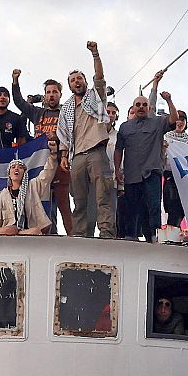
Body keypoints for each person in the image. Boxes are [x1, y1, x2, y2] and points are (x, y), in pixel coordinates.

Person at [57, 42, 116, 238]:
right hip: (78, 157)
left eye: (79, 78)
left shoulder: (95, 96)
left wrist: (95, 54)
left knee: (103, 196)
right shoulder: (66, 108)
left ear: (84, 81)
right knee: (80, 200)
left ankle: (107, 233)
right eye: (73, 80)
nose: (77, 81)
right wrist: (64, 155)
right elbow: (64, 133)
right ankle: (80, 234)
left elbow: (99, 77)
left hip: (97, 152)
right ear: (70, 85)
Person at [113, 75, 177, 242]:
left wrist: (169, 101)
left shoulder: (157, 123)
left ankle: (153, 236)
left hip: (152, 173)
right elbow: (119, 149)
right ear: (133, 108)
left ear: (149, 108)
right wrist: (117, 168)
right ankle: (131, 237)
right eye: (138, 105)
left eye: (144, 105)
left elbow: (174, 119)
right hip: (131, 175)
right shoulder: (125, 127)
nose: (141, 107)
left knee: (153, 207)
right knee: (132, 208)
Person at [13, 72, 71, 235]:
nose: (51, 95)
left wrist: (57, 140)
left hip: (61, 163)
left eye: (55, 92)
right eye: (48, 92)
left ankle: (74, 238)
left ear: (60, 94)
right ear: (44, 95)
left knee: (63, 204)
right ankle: (47, 236)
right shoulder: (37, 113)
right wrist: (15, 81)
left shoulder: (67, 113)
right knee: (42, 204)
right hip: (40, 165)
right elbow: (19, 102)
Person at [0, 160, 51, 236]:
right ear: (9, 174)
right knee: (10, 229)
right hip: (8, 232)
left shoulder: (32, 186)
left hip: (28, 232)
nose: (16, 169)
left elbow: (46, 175)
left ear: (24, 173)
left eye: (20, 167)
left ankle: (19, 233)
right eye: (13, 167)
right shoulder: (5, 193)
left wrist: (53, 156)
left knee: (35, 231)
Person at [161, 109, 188, 233]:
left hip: (184, 179)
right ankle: (170, 232)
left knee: (181, 208)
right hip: (170, 177)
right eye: (178, 119)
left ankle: (176, 232)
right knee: (172, 205)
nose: (180, 122)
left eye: (183, 119)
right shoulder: (166, 136)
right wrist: (162, 148)